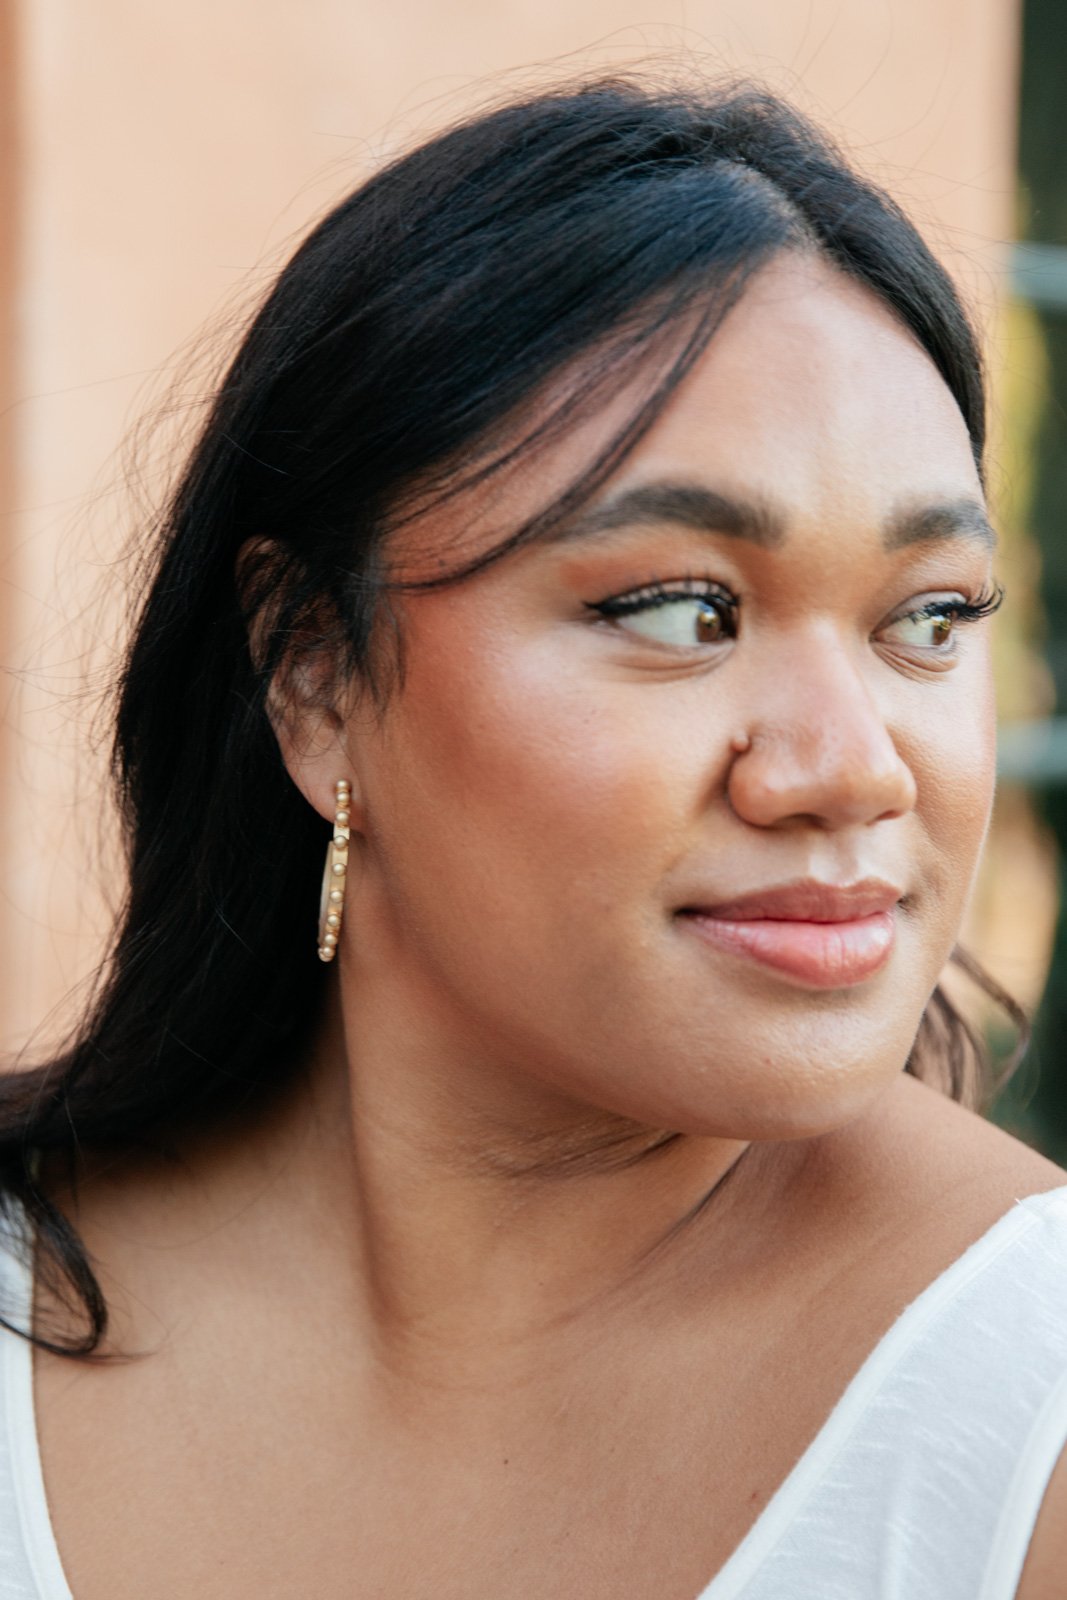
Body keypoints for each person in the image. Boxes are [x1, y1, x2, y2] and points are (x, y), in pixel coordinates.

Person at [0, 72, 1064, 1599]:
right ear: (311, 669)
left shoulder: (1029, 1414)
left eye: (930, 619)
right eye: (684, 610)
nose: (851, 769)